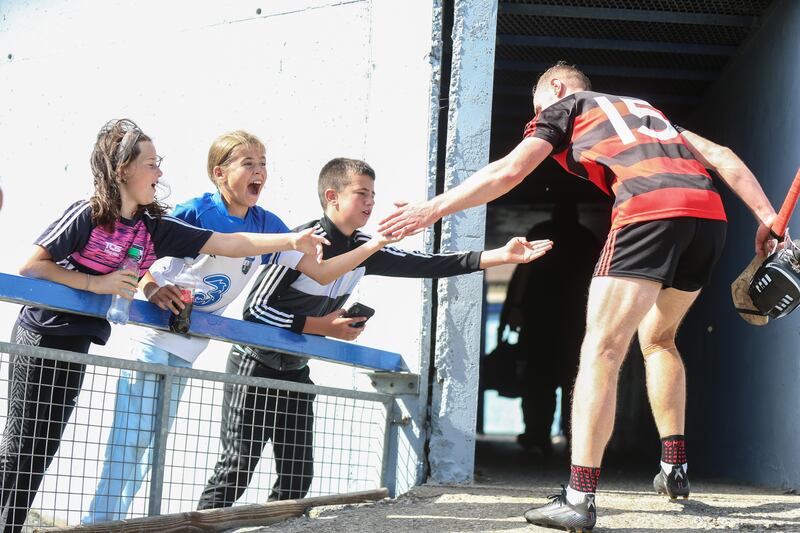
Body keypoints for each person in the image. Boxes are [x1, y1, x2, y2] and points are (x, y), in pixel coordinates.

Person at [378, 62, 778, 530]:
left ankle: (578, 497)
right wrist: (769, 220)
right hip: (708, 218)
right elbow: (724, 156)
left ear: (558, 88)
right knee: (659, 339)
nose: (536, 119)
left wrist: (434, 208)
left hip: (647, 211)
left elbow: (510, 171)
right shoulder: (649, 113)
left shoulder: (566, 107)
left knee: (601, 350)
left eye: (536, 109)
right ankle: (674, 468)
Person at [0, 119, 388, 532]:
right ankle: (90, 525)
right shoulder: (121, 212)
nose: (160, 172)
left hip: (113, 341)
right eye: (152, 163)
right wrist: (128, 286)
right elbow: (50, 266)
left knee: (53, 447)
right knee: (46, 445)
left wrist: (313, 242)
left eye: (263, 162)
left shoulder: (166, 224)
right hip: (76, 335)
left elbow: (238, 246)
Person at [195, 157, 553, 508]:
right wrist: (320, 327)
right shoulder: (302, 241)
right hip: (254, 367)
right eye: (361, 193)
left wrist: (500, 256)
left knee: (297, 476)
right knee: (237, 470)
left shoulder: (364, 246)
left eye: (373, 194)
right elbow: (255, 309)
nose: (371, 201)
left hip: (295, 371)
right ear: (332, 196)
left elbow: (427, 264)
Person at [501, 201, 599, 454]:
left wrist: (512, 310)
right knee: (573, 381)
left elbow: (523, 274)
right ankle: (572, 438)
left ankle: (537, 434)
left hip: (540, 318)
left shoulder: (542, 232)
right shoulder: (586, 238)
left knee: (538, 382)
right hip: (574, 320)